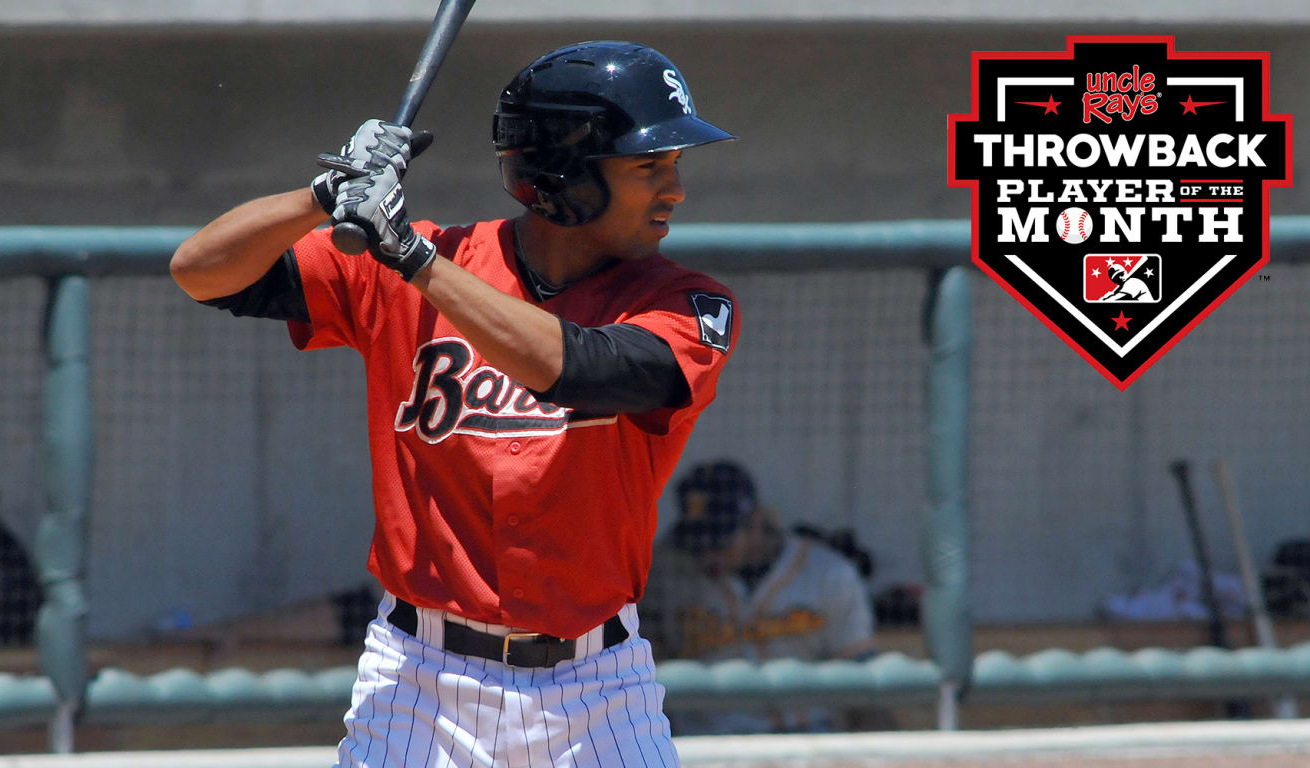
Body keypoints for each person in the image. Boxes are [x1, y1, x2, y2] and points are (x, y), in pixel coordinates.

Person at [171, 40, 738, 767]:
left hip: (599, 687)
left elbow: (582, 370)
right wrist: (323, 194)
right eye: (648, 166)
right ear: (564, 175)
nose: (674, 190)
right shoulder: (421, 263)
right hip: (420, 681)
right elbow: (201, 273)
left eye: (674, 165)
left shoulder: (686, 303)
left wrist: (411, 257)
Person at [643, 460, 894, 735]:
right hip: (708, 743)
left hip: (808, 740)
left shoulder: (829, 575)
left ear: (756, 523)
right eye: (699, 542)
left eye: (719, 542)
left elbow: (864, 685)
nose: (708, 555)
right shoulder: (667, 576)